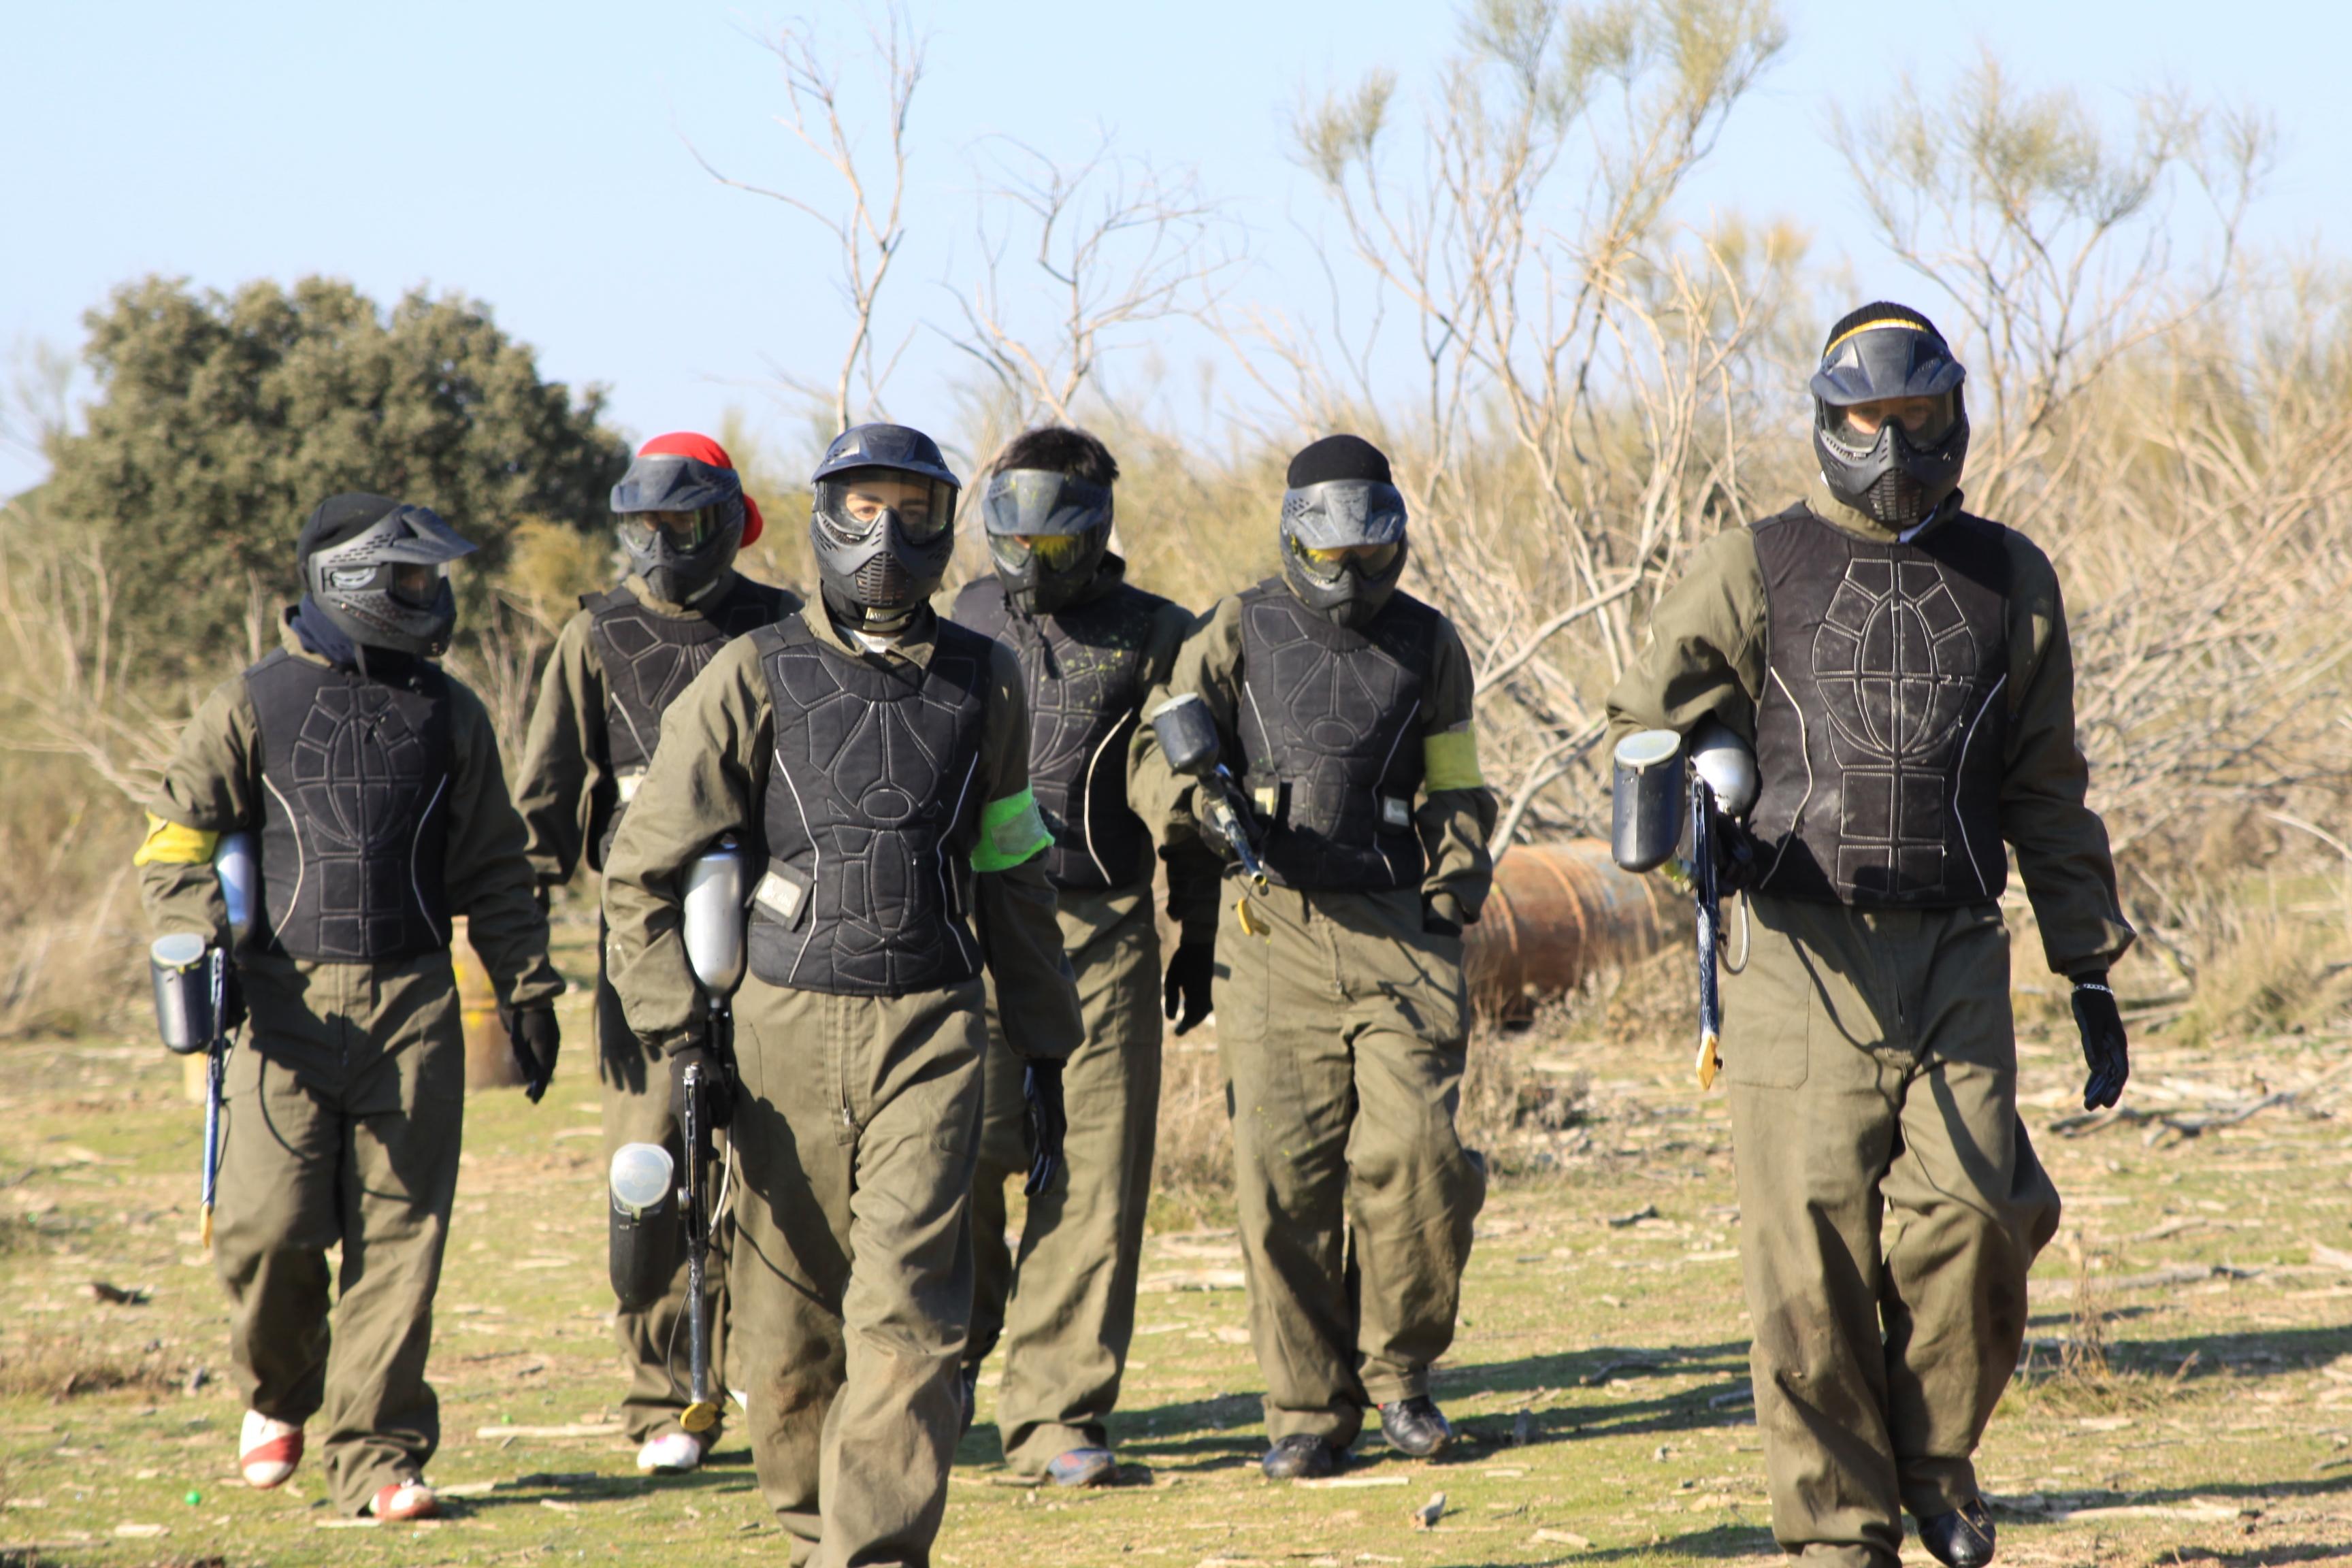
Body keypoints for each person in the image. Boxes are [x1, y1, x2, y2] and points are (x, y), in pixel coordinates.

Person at [1603, 302, 2134, 1568]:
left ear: (1951, 415)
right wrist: (1697, 795)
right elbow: (1645, 712)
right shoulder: (1760, 562)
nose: (1889, 442)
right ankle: (1841, 1533)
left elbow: (2044, 784)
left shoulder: (2011, 575)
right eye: (1863, 419)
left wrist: (2089, 966)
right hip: (1798, 949)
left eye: (1912, 417)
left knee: (1986, 1217)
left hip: (1956, 943)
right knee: (1811, 1265)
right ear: (1826, 421)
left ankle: (1934, 1463)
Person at [602, 423, 1083, 1565]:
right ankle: (817, 1531)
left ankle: (871, 1553)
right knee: (791, 1330)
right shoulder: (754, 670)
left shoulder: (987, 679)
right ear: (821, 514)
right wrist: (681, 1036)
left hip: (931, 1024)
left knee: (910, 1311)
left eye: (914, 510)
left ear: (946, 520)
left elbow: (1012, 864)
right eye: (862, 505)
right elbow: (641, 870)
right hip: (779, 1035)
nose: (886, 534)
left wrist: (1048, 1044)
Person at [135, 494, 564, 1522]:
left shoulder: (449, 711)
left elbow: (498, 869)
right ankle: (279, 1390)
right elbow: (173, 844)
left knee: (401, 1240)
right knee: (266, 1229)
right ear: (352, 584)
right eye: (413, 581)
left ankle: (378, 1457)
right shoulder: (251, 703)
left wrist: (529, 986)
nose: (435, 597)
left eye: (433, 579)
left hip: (416, 1003)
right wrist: (201, 953)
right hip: (278, 1005)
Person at [1128, 434, 1497, 1481]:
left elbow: (1456, 779)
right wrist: (1201, 806)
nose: (1352, 580)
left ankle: (1401, 1379)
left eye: (1372, 560)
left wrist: (1452, 884)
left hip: (1397, 928)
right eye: (1331, 561)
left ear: (1396, 544)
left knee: (1418, 1159)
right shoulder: (1239, 624)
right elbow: (1158, 750)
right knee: (1280, 1183)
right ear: (1295, 540)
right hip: (1270, 928)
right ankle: (1303, 1408)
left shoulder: (1430, 643)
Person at [513, 431, 797, 1475]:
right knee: (656, 1163)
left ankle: (780, 1384)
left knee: (775, 1165)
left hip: (781, 924)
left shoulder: (784, 626)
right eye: (648, 527)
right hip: (643, 935)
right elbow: (540, 813)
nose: (667, 544)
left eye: (687, 524)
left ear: (730, 522)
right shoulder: (594, 638)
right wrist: (519, 974)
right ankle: (663, 1399)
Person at [945, 425, 1215, 1488]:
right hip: (966, 931)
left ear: (1098, 529)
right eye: (1012, 539)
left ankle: (1057, 1416)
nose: (1029, 564)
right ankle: (944, 1366)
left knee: (1093, 1177)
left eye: (1053, 545)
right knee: (961, 1153)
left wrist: (1194, 923)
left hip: (1102, 932)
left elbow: (1179, 787)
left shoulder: (1160, 634)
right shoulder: (955, 612)